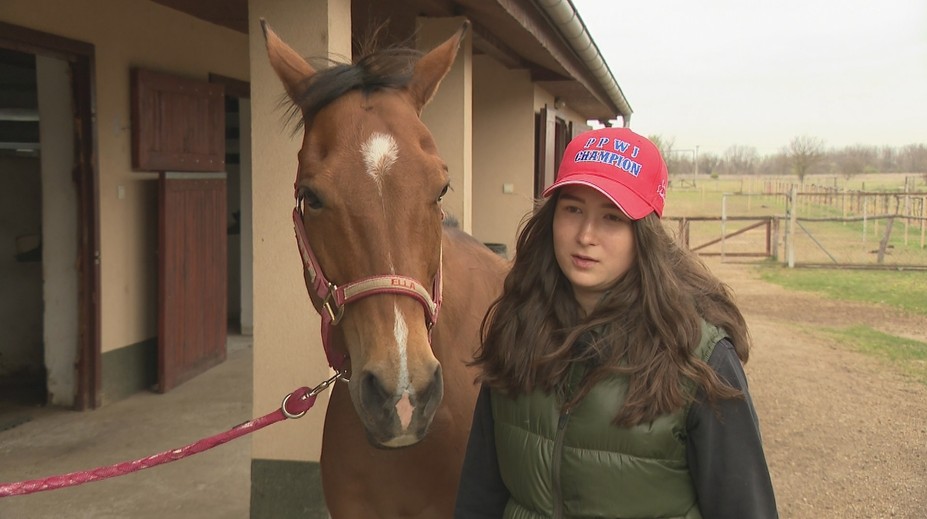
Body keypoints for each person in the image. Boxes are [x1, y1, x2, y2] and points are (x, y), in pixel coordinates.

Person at [454, 127, 778, 518]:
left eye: (611, 218)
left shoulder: (698, 357)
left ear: (644, 234)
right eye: (572, 209)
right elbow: (480, 491)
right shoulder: (517, 328)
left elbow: (744, 508)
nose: (585, 236)